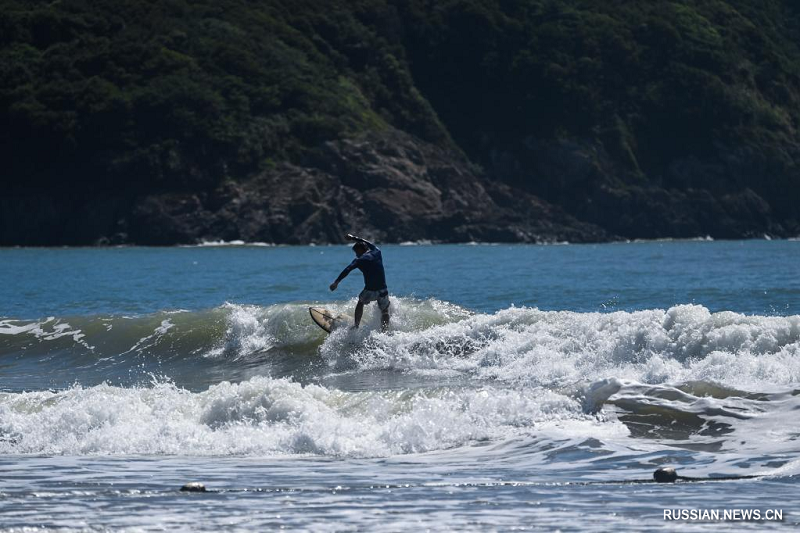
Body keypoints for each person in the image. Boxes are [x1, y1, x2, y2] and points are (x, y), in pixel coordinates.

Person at [330, 234, 390, 330]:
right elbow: (367, 242)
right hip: (383, 289)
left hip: (370, 290)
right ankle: (385, 331)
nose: (356, 255)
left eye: (356, 252)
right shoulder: (377, 252)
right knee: (385, 311)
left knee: (360, 302)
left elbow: (347, 269)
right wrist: (354, 238)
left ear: (360, 250)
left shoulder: (359, 260)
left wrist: (336, 282)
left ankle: (356, 326)